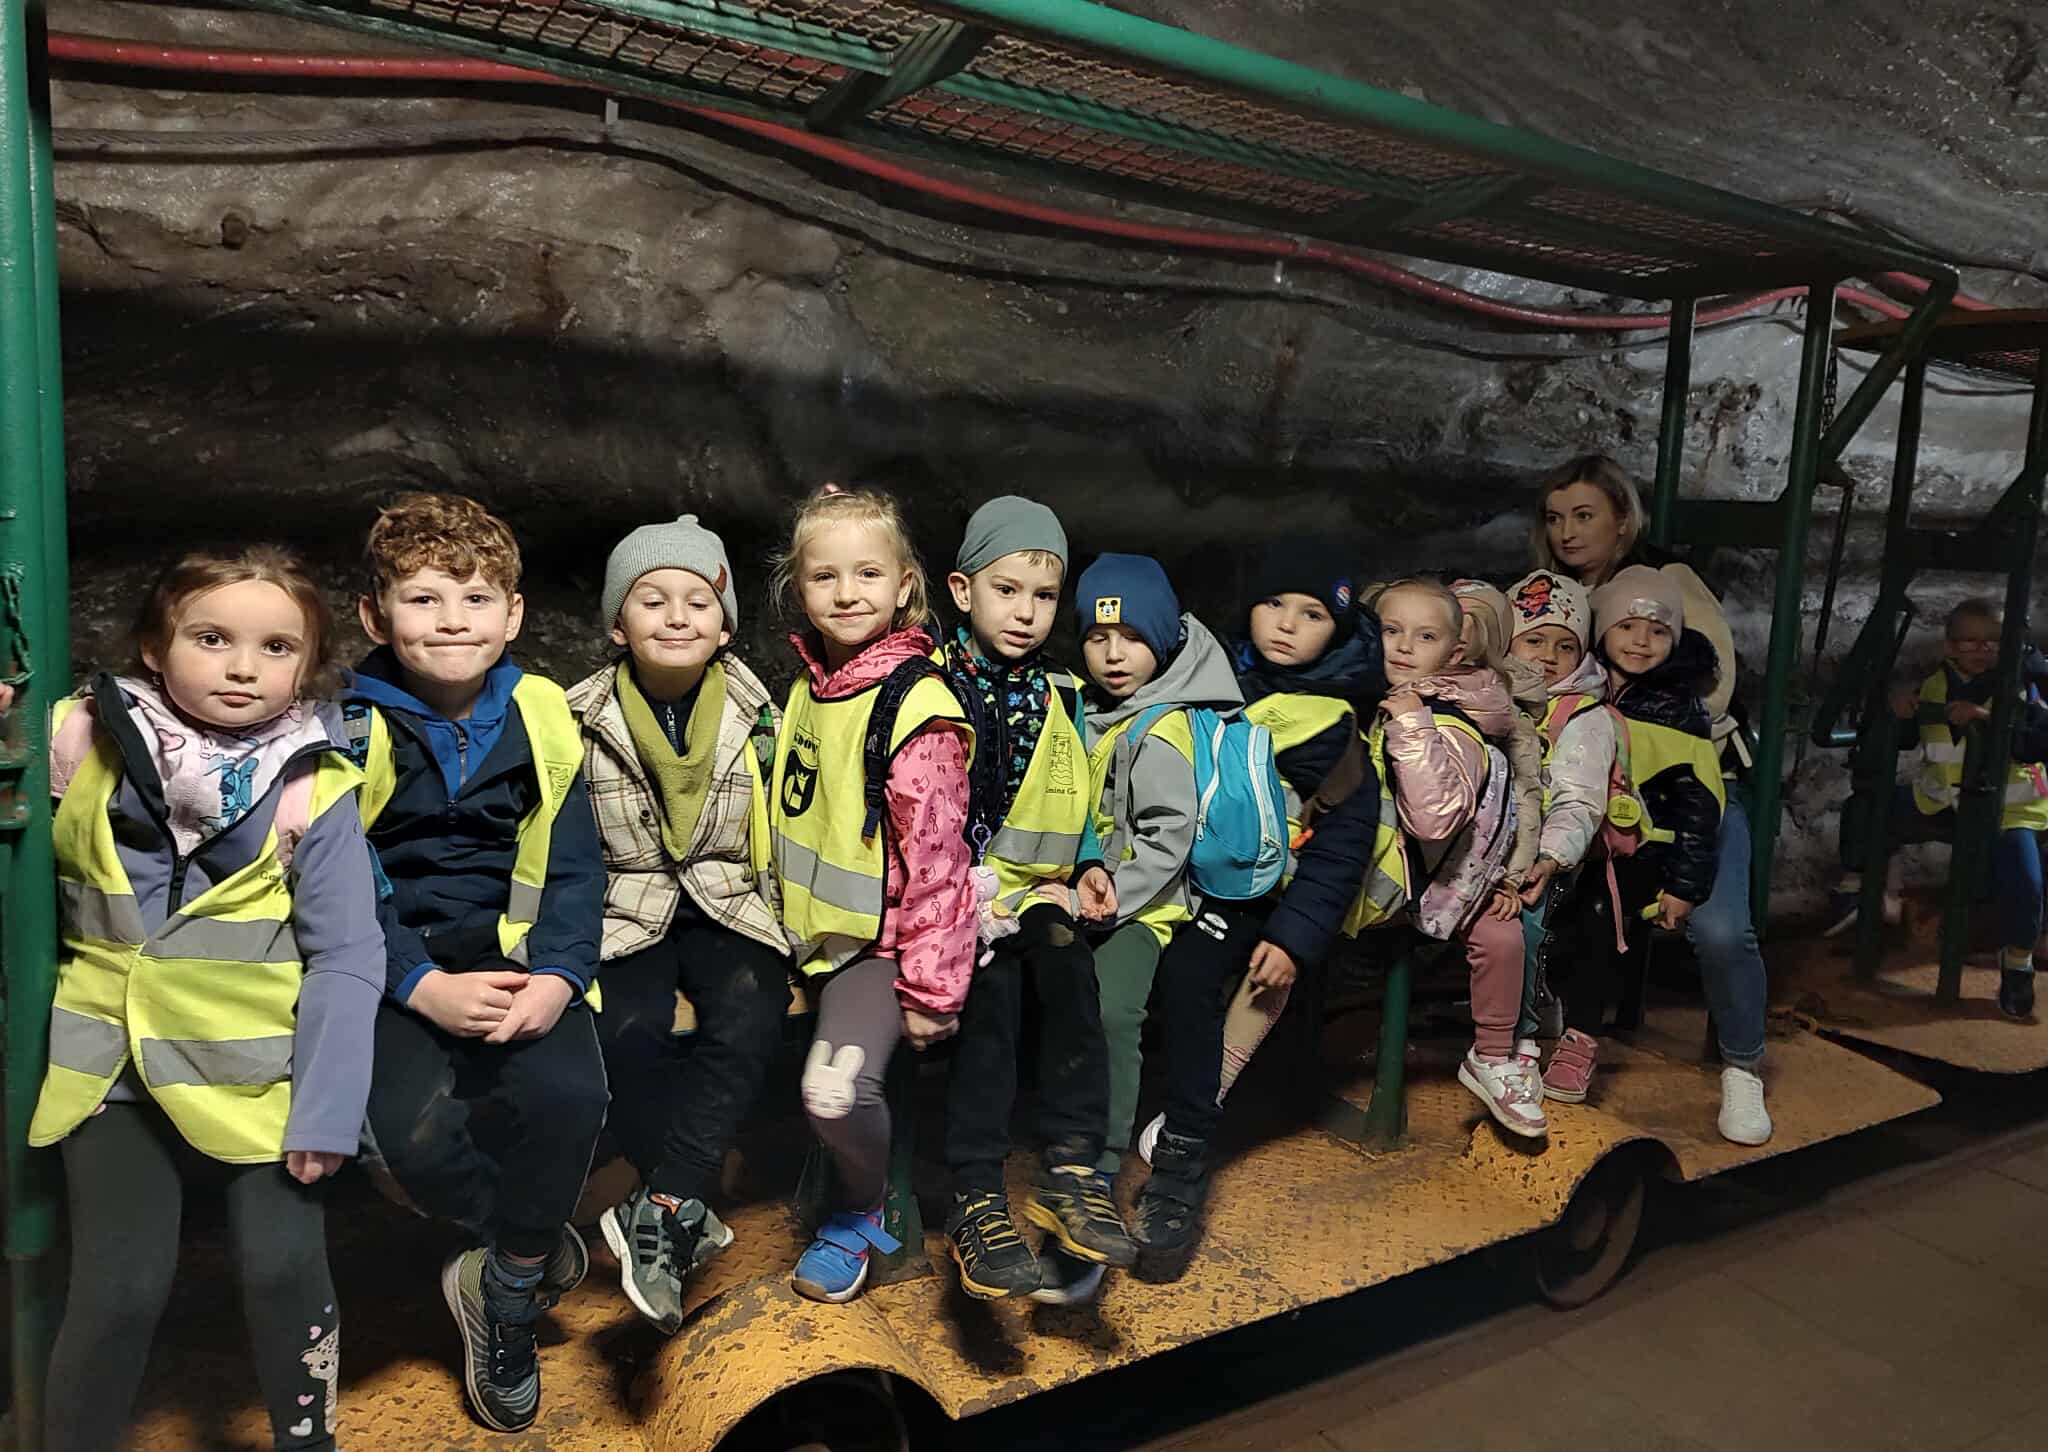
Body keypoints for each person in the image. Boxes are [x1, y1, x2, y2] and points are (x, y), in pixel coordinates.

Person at [35, 547, 382, 1452]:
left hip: (256, 1074)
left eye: (277, 647)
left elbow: (347, 954)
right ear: (155, 646)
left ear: (307, 666)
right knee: (118, 1291)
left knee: (282, 1270)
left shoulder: (313, 780)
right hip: (108, 1069)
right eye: (212, 638)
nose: (242, 667)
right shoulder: (79, 737)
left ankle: (309, 1442)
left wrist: (327, 1110)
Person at [345, 493, 609, 1433]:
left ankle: (503, 1290)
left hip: (513, 961)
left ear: (514, 613)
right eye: (423, 599)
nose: (453, 620)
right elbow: (338, 885)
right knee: (411, 1143)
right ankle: (525, 1245)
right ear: (376, 616)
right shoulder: (345, 726)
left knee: (571, 1099)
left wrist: (560, 976)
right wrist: (419, 985)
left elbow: (575, 865)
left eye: (476, 598)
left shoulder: (541, 713)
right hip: (392, 968)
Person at [1126, 540, 1389, 1256]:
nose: (1286, 624)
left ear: (1337, 630)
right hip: (1174, 873)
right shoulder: (1213, 679)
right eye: (1273, 603)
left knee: (1191, 978)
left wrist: (1293, 936)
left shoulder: (1330, 725)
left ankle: (1181, 1163)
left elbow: (1343, 841)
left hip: (1260, 897)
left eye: (1311, 614)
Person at [568, 515, 793, 1333]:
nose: (676, 617)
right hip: (627, 905)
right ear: (617, 625)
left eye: (698, 602)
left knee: (751, 1008)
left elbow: (785, 823)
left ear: (724, 626)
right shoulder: (578, 717)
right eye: (652, 600)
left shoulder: (760, 714)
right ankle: (682, 1203)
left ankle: (664, 1200)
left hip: (727, 896)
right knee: (627, 1028)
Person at [768, 484, 977, 1305]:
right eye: (825, 576)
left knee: (832, 1091)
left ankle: (860, 1216)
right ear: (799, 588)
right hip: (808, 934)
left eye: (867, 573)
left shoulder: (913, 705)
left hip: (878, 946)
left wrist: (930, 989)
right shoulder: (810, 687)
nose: (847, 593)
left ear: (903, 585)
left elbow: (939, 861)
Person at [1533, 454, 1772, 1143]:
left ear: (1622, 520)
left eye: (1585, 515)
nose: (1568, 532)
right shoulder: (1558, 596)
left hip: (1688, 787)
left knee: (1720, 931)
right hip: (1599, 794)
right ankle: (1543, 1029)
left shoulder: (1668, 583)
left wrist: (1615, 716)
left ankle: (1744, 1068)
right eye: (1556, 517)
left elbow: (1712, 690)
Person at [934, 497, 1136, 1305]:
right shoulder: (930, 680)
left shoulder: (1062, 692)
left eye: (1044, 596)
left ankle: (1073, 1172)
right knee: (990, 999)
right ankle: (976, 1194)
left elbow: (1073, 789)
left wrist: (1087, 863)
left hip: (1034, 891)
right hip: (953, 900)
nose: (1025, 612)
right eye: (1007, 590)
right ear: (963, 591)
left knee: (1069, 971)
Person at [1075, 554, 1246, 1247]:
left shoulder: (1161, 728)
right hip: (1088, 891)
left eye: (1133, 638)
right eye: (1097, 637)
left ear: (1165, 642)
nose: (1114, 655)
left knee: (1114, 1010)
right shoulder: (1091, 709)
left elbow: (1166, 840)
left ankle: (1101, 1165)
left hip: (1143, 908)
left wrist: (1110, 902)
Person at [1372, 578, 1547, 1139]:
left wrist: (1510, 876)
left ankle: (1493, 1055)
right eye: (1391, 630)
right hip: (1382, 863)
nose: (1404, 646)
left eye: (1424, 637)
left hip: (1451, 866)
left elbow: (1511, 802)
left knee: (1502, 933)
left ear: (1455, 652)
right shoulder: (1362, 687)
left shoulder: (1468, 712)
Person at [1826, 598, 2048, 1018]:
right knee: (1868, 808)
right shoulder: (1934, 685)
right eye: (1970, 641)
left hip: (2007, 811)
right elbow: (1908, 738)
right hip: (1941, 801)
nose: (1983, 649)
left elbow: (2038, 741)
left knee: (2026, 882)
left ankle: (2018, 959)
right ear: (1949, 647)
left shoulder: (2022, 687)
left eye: (1993, 641)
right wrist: (1900, 713)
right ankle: (1861, 891)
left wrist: (1987, 719)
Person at [1504, 569, 1619, 1101]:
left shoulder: (1583, 717)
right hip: (1488, 847)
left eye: (1565, 645)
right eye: (1534, 640)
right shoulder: (1488, 697)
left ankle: (1520, 1042)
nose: (1549, 656)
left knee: (1522, 926)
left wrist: (1549, 857)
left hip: (1552, 856)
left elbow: (1579, 801)